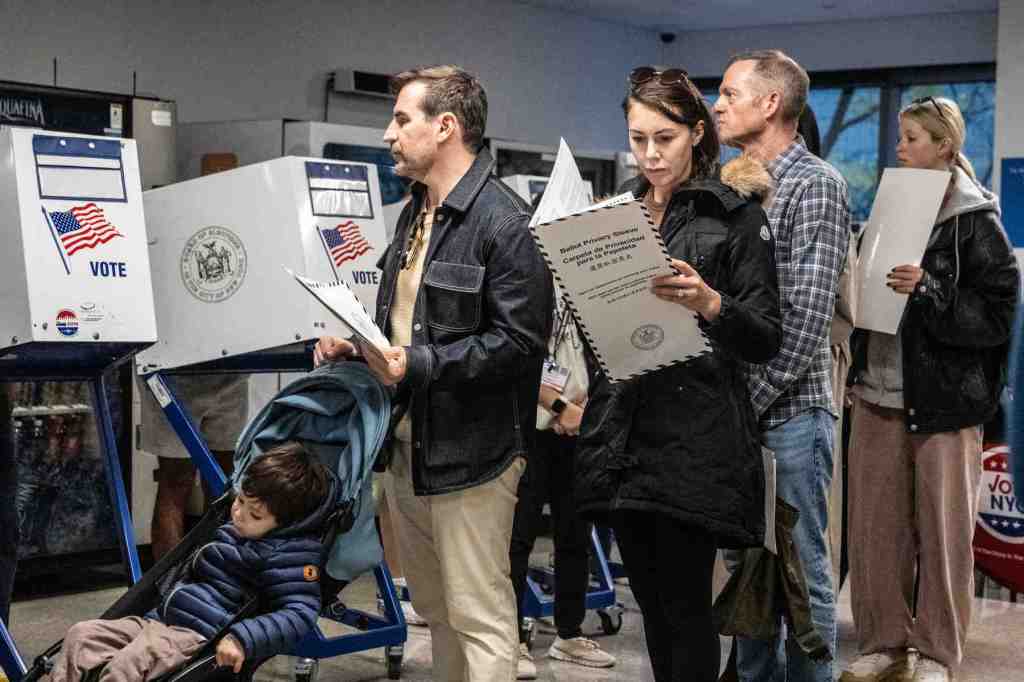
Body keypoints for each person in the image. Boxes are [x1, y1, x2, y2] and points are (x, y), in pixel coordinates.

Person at [315, 65, 552, 682]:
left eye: (401, 119)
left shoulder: (505, 222)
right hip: (408, 446)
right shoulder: (416, 212)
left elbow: (518, 345)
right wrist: (358, 346)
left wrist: (414, 363)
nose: (389, 134)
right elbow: (405, 326)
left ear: (445, 127)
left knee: (480, 613)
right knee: (437, 610)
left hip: (474, 455)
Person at [573, 66, 781, 682]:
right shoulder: (616, 214)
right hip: (624, 433)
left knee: (686, 607)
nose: (650, 154)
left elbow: (766, 335)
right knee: (651, 610)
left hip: (696, 438)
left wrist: (711, 302)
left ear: (696, 132)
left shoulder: (735, 215)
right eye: (637, 139)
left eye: (664, 138)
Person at [841, 96, 1019, 682]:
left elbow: (998, 317)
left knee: (944, 537)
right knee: (876, 531)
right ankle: (882, 644)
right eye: (900, 137)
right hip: (876, 394)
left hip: (945, 405)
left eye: (912, 138)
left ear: (945, 146)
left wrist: (930, 289)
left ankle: (937, 653)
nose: (899, 148)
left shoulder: (977, 221)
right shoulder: (887, 208)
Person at [713, 49, 851, 682]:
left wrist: (744, 404)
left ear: (770, 103)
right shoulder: (731, 184)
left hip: (791, 412)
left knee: (800, 572)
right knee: (747, 570)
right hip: (740, 411)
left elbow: (805, 319)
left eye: (729, 93)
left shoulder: (815, 184)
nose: (717, 106)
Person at [46, 442, 331, 682]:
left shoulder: (290, 555)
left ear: (285, 522)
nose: (238, 513)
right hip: (159, 620)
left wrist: (241, 638)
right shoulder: (233, 529)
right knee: (82, 635)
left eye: (254, 514)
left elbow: (300, 613)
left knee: (127, 665)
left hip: (194, 637)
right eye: (240, 500)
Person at [509, 289, 616, 680]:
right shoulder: (524, 275)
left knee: (575, 534)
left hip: (579, 425)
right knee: (518, 536)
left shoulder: (584, 281)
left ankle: (569, 633)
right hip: (529, 426)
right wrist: (559, 407)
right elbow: (515, 357)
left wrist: (587, 408)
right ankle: (512, 641)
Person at [139, 374, 249, 561]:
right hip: (171, 377)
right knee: (175, 480)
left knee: (224, 484)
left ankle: (216, 569)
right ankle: (170, 576)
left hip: (231, 375)